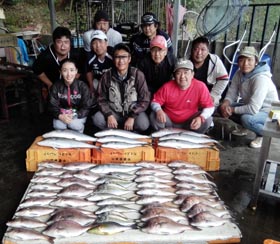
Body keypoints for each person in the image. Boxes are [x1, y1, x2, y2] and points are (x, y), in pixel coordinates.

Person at [220, 46, 279, 148]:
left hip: (272, 112)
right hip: (254, 108)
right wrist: (225, 104)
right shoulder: (239, 73)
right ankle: (246, 127)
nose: (245, 64)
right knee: (222, 108)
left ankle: (264, 135)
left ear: (256, 61)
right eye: (241, 60)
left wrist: (232, 109)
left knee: (247, 119)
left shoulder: (261, 78)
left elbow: (253, 108)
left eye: (249, 60)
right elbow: (232, 92)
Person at [92, 43, 150, 132]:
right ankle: (112, 131)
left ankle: (132, 132)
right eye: (117, 57)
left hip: (132, 111)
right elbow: (100, 99)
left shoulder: (138, 75)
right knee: (97, 119)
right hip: (114, 112)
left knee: (143, 124)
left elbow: (145, 99)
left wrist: (132, 116)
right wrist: (109, 115)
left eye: (124, 57)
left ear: (129, 59)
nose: (120, 60)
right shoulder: (107, 76)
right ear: (113, 59)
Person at [150, 58, 214, 134]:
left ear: (192, 74)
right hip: (169, 123)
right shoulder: (167, 87)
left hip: (189, 124)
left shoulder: (200, 86)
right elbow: (155, 101)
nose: (182, 76)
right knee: (154, 115)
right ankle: (162, 139)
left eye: (186, 72)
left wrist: (201, 117)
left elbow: (209, 107)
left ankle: (193, 140)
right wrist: (158, 110)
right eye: (178, 73)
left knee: (207, 120)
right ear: (174, 75)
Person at [48, 58, 93, 133]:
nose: (69, 74)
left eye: (72, 70)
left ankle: (79, 137)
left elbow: (86, 106)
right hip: (62, 113)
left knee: (74, 124)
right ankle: (64, 141)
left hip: (78, 113)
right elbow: (52, 105)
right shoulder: (56, 86)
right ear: (61, 72)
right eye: (65, 70)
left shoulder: (82, 86)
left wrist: (75, 114)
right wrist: (60, 116)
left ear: (76, 71)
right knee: (58, 125)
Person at [190, 36, 229, 106]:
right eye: (196, 49)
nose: (199, 53)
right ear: (192, 50)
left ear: (208, 51)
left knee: (208, 109)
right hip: (189, 96)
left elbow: (224, 79)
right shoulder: (186, 62)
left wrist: (213, 95)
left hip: (209, 95)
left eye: (203, 49)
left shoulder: (215, 60)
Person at [85, 30, 113, 95]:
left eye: (100, 42)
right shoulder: (90, 57)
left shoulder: (112, 54)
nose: (98, 46)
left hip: (112, 81)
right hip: (98, 81)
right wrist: (91, 86)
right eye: (94, 43)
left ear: (106, 43)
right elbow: (88, 71)